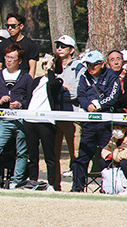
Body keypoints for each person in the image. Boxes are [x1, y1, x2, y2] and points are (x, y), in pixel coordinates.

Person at [0, 43, 33, 189]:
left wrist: (20, 104)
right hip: (4, 121)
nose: (8, 61)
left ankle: (16, 181)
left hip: (21, 120)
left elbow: (30, 98)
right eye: (7, 57)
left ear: (19, 61)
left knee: (22, 152)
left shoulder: (26, 78)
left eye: (12, 58)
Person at [72, 50, 121, 192]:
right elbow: (81, 95)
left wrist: (98, 105)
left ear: (102, 64)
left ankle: (108, 188)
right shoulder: (84, 76)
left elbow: (113, 96)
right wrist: (88, 106)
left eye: (94, 64)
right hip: (89, 123)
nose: (91, 67)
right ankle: (77, 188)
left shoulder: (111, 76)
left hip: (106, 123)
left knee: (107, 157)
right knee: (82, 157)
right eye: (88, 64)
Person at [23, 55, 63, 191]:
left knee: (49, 155)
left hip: (46, 122)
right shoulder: (36, 81)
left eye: (49, 64)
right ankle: (33, 181)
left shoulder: (57, 80)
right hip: (30, 121)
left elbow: (52, 85)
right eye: (45, 63)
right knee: (32, 156)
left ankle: (51, 184)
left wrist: (51, 69)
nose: (46, 66)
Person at [52, 34, 83, 181]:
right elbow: (48, 90)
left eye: (63, 46)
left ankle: (77, 184)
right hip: (54, 115)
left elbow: (76, 92)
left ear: (71, 50)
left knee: (75, 153)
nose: (59, 48)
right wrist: (64, 88)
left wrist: (59, 90)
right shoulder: (53, 66)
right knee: (53, 154)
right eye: (58, 46)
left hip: (73, 115)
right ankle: (55, 185)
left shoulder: (79, 67)